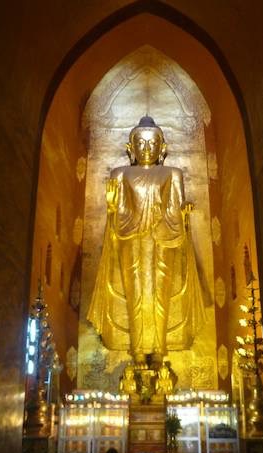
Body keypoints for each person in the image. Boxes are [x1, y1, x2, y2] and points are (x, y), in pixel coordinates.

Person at [87, 116, 205, 370]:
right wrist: (110, 205)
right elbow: (119, 212)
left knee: (160, 295)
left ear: (162, 147)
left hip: (165, 237)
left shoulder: (173, 173)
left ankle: (159, 353)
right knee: (136, 294)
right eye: (140, 143)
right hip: (131, 239)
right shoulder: (121, 174)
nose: (147, 148)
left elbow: (175, 208)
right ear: (131, 148)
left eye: (153, 143)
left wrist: (184, 211)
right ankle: (139, 353)